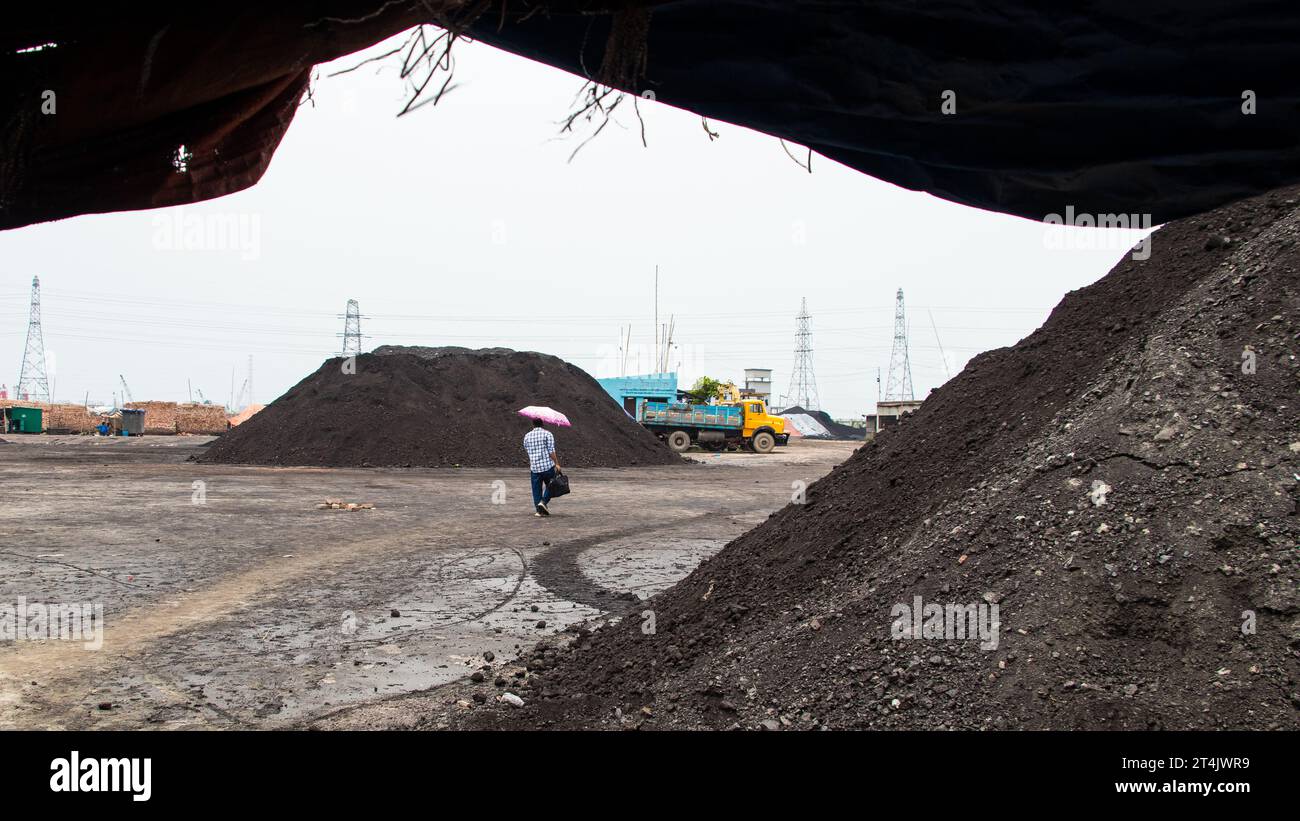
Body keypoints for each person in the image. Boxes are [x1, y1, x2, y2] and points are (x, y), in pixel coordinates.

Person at [523, 418, 562, 516]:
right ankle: (543, 502)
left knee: (536, 490)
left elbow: (527, 449)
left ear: (533, 424)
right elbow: (551, 451)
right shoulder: (547, 434)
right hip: (547, 467)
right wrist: (557, 463)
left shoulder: (527, 436)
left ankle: (539, 511)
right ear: (542, 424)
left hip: (534, 468)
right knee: (552, 486)